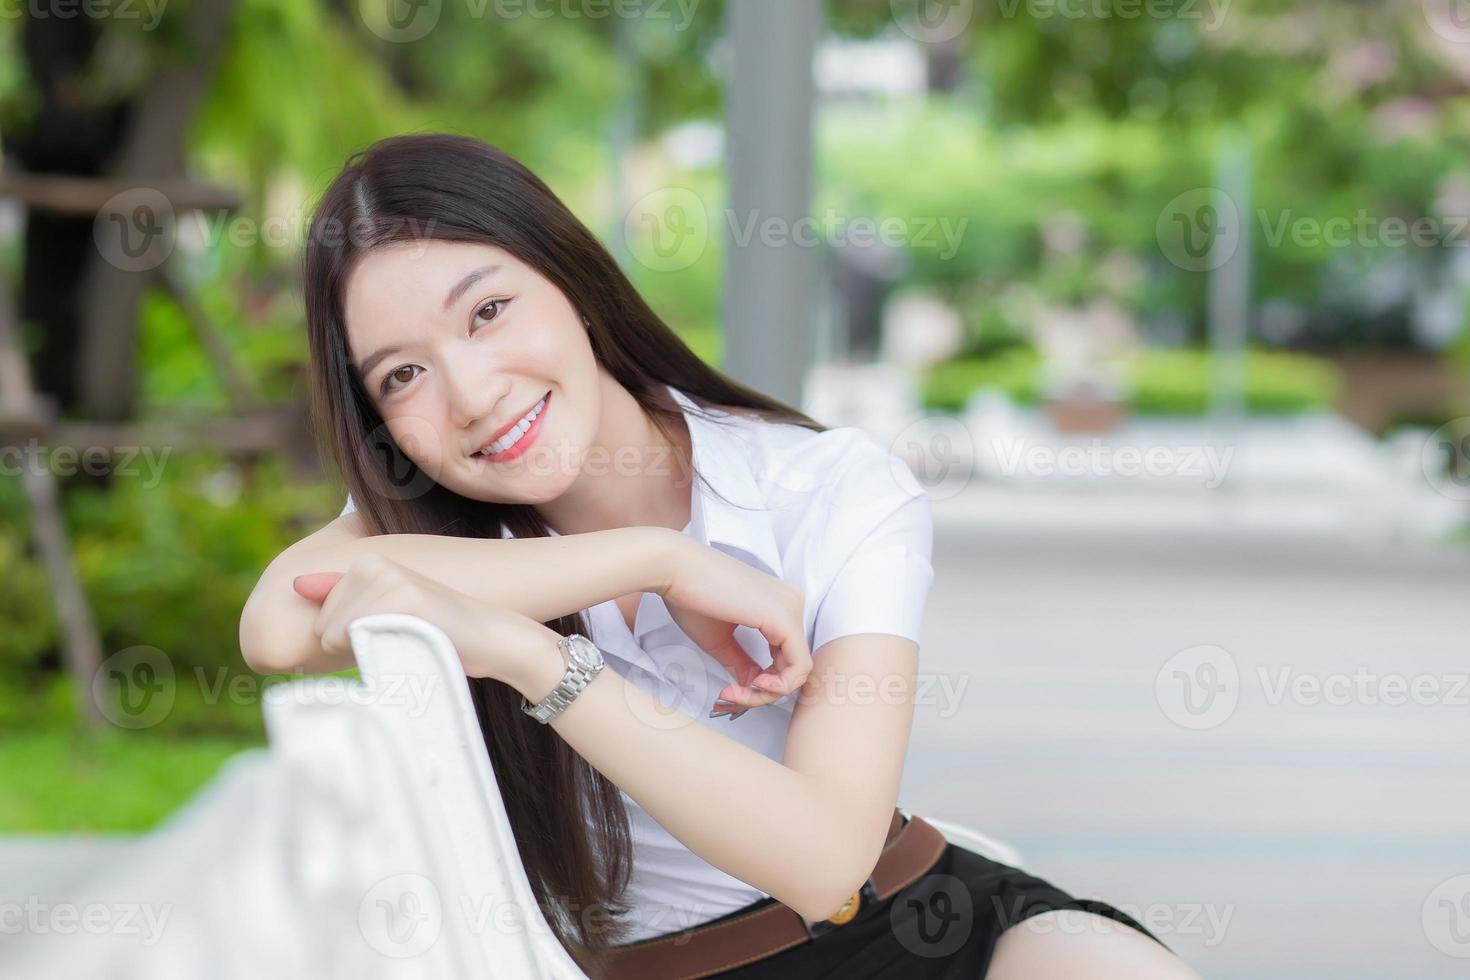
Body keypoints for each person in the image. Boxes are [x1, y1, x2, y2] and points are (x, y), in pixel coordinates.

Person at [238, 132, 1200, 979]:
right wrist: (653, 562)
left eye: (486, 312)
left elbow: (825, 863)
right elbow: (279, 624)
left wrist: (537, 655)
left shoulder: (824, 487)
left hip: (935, 934)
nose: (472, 392)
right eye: (403, 375)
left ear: (572, 281)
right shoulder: (438, 529)